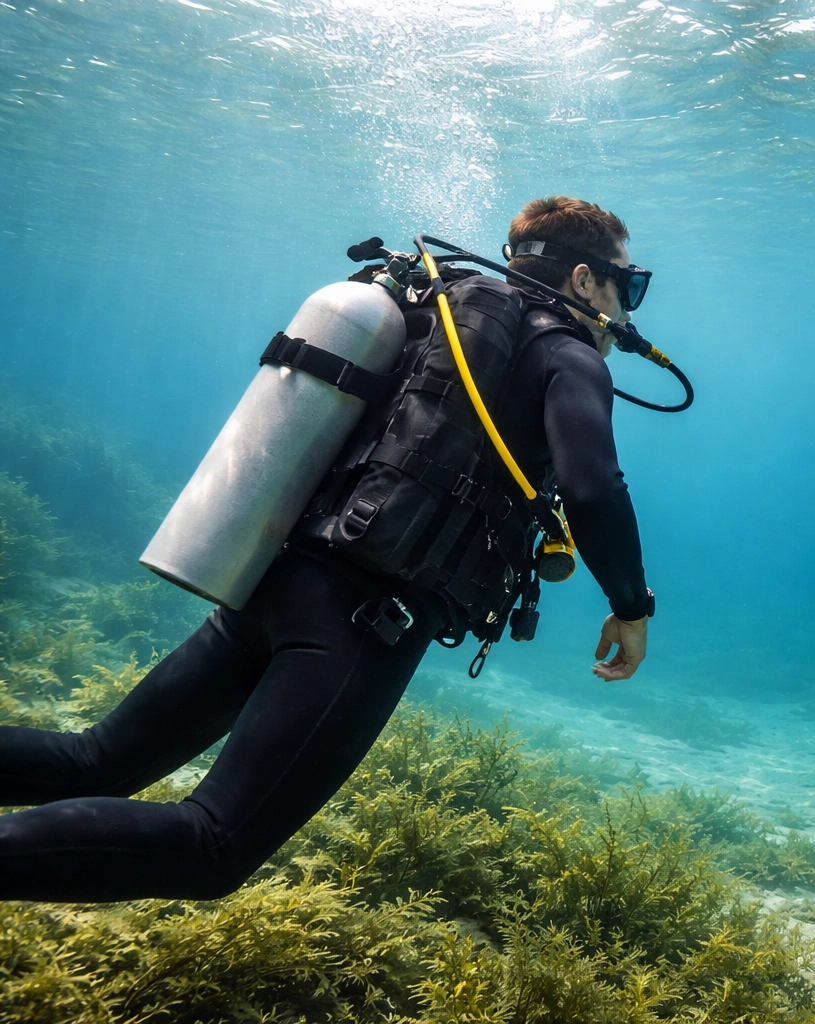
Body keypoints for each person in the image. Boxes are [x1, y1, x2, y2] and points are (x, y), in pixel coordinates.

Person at [0, 195, 656, 902]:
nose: (629, 308)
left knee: (93, 759)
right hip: (366, 615)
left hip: (281, 576)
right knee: (212, 843)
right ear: (585, 280)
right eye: (630, 284)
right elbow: (592, 489)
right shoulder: (566, 354)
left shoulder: (436, 314)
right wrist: (631, 605)